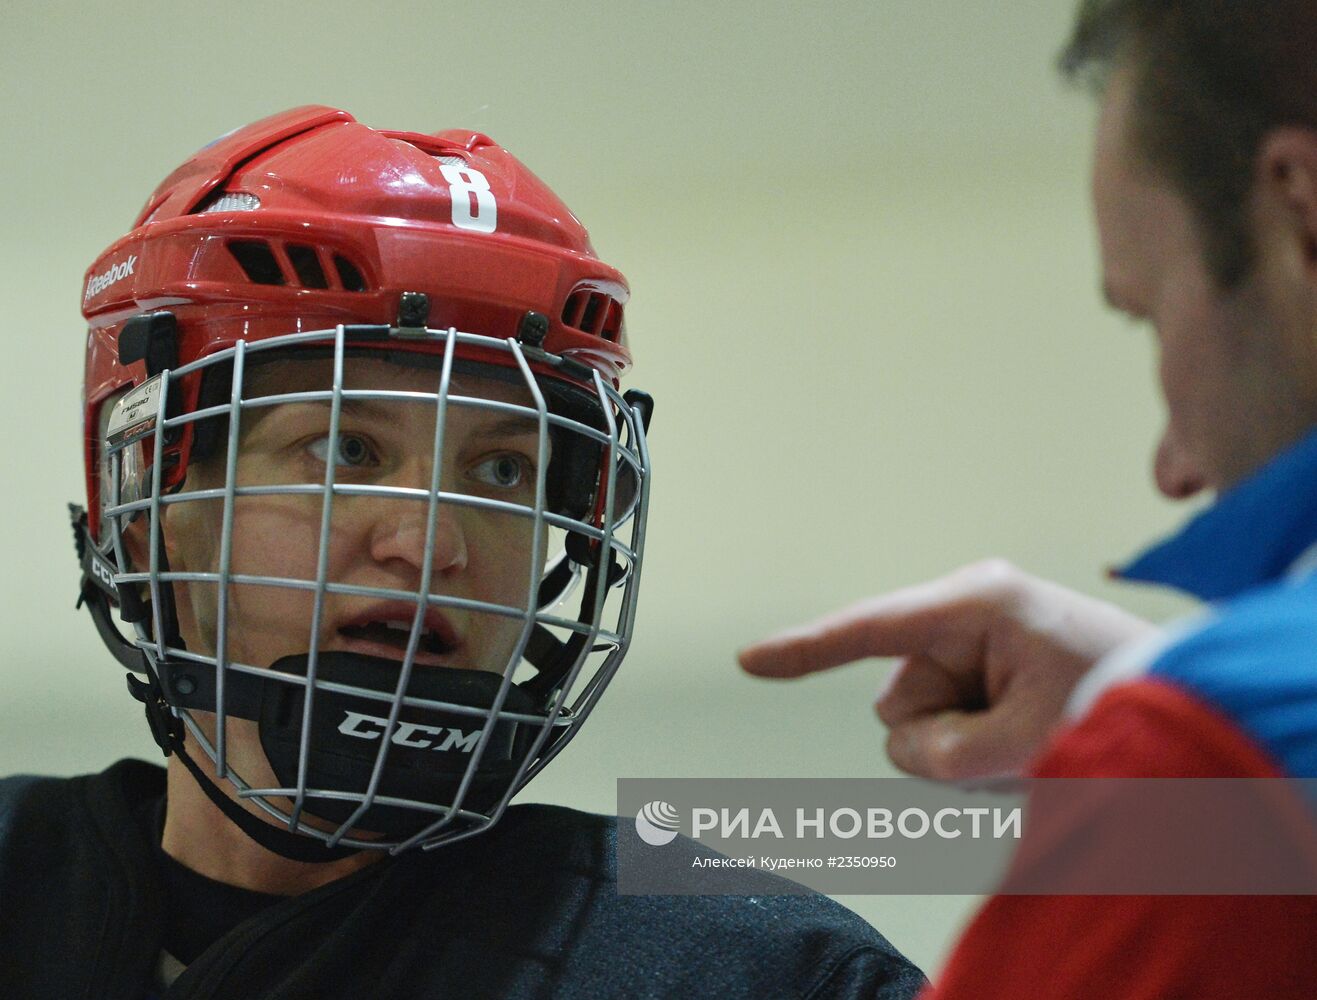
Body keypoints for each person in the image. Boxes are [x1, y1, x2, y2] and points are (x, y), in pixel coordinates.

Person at [0, 107, 925, 998]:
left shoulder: (765, 975)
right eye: (343, 450)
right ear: (144, 510)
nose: (429, 542)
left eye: (502, 469)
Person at [741, 2, 1317, 997]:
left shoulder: (1223, 747)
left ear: (1301, 212)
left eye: (1148, 314)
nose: (1172, 469)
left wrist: (1178, 727)